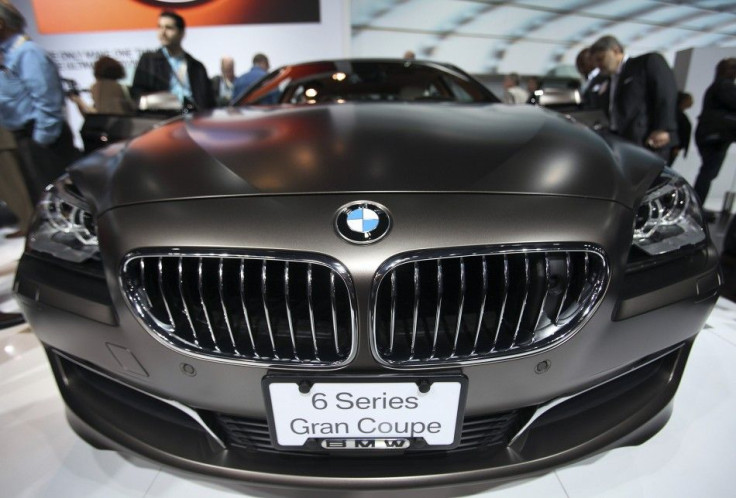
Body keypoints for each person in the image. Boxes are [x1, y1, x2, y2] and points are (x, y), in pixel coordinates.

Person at [0, 3, 80, 207]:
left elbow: (47, 100)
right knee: (44, 201)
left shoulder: (28, 53)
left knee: (58, 201)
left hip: (43, 140)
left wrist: (41, 141)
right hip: (28, 138)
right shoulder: (10, 55)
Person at [590, 35, 678, 161]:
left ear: (615, 51)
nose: (599, 65)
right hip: (620, 141)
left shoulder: (646, 63)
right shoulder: (607, 79)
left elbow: (665, 93)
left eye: (601, 59)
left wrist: (663, 128)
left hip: (646, 141)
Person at [131, 11, 215, 111]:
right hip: (161, 118)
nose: (162, 32)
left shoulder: (197, 67)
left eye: (169, 28)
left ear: (181, 33)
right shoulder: (149, 60)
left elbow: (208, 101)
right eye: (159, 27)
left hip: (194, 119)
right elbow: (138, 93)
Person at [693, 58, 736, 208]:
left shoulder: (716, 86)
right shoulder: (725, 86)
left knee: (707, 173)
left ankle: (696, 206)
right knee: (707, 173)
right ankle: (696, 207)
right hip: (716, 136)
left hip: (709, 134)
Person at [69, 56, 135, 115]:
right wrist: (78, 102)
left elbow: (100, 116)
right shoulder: (119, 87)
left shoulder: (103, 87)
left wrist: (79, 101)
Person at [668, 91, 693, 166]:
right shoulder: (682, 119)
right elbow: (682, 134)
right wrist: (677, 147)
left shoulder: (674, 115)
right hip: (671, 147)